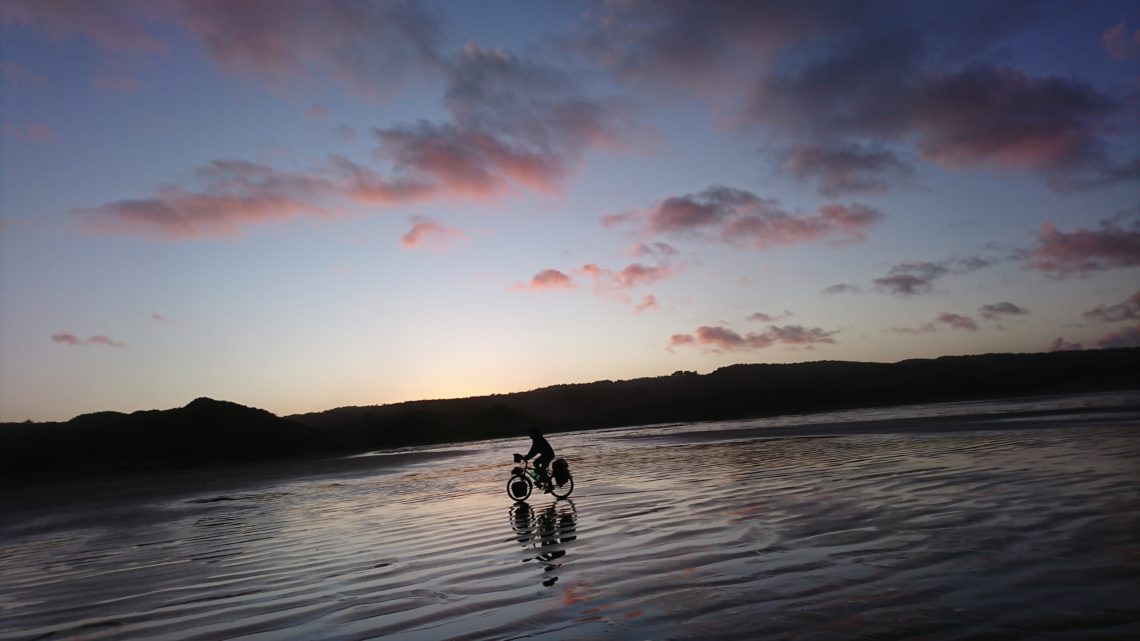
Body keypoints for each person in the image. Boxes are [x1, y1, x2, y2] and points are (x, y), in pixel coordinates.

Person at [518, 427, 556, 492]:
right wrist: (527, 457)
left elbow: (534, 451)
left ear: (533, 434)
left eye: (530, 434)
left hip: (549, 455)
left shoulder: (538, 440)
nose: (529, 435)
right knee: (535, 463)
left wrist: (526, 458)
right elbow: (532, 451)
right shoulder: (536, 439)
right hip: (545, 455)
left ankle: (550, 486)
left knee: (542, 469)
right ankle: (541, 478)